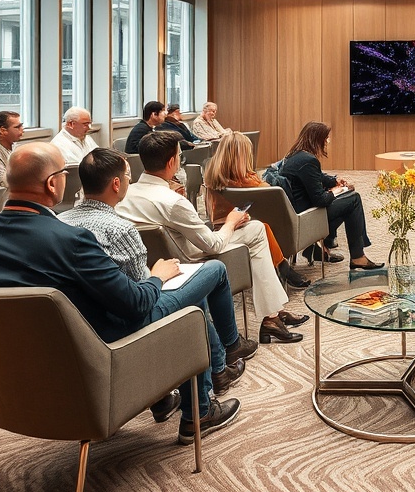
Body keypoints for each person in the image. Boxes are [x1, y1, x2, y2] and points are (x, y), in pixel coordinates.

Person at [0, 142, 242, 444]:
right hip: (92, 360)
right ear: (53, 183)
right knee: (191, 302)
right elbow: (136, 305)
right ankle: (201, 410)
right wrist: (156, 277)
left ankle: (163, 396)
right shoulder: (71, 241)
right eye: (63, 173)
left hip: (3, 378)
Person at [58, 147, 257, 401]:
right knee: (211, 274)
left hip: (82, 320)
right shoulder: (119, 228)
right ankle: (205, 399)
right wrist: (159, 274)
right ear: (116, 184)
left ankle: (202, 379)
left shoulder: (61, 221)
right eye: (129, 176)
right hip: (124, 320)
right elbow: (143, 295)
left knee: (191, 287)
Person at [116, 131, 302, 345]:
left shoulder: (125, 194)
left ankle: (274, 313)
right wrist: (232, 221)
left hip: (153, 266)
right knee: (257, 229)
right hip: (191, 261)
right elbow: (213, 245)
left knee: (254, 230)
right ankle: (271, 316)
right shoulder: (173, 201)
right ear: (171, 162)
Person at [204, 132, 311, 291]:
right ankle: (283, 267)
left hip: (220, 225)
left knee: (263, 226)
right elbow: (270, 192)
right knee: (266, 226)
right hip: (234, 227)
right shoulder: (244, 181)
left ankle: (282, 267)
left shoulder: (213, 177)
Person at [280, 121, 380, 270]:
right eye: (326, 138)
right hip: (306, 218)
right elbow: (321, 199)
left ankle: (320, 248)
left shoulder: (294, 156)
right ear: (317, 139)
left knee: (349, 198)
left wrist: (335, 181)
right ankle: (357, 256)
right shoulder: (309, 161)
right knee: (354, 200)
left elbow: (317, 176)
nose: (327, 142)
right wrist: (335, 191)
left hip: (296, 212)